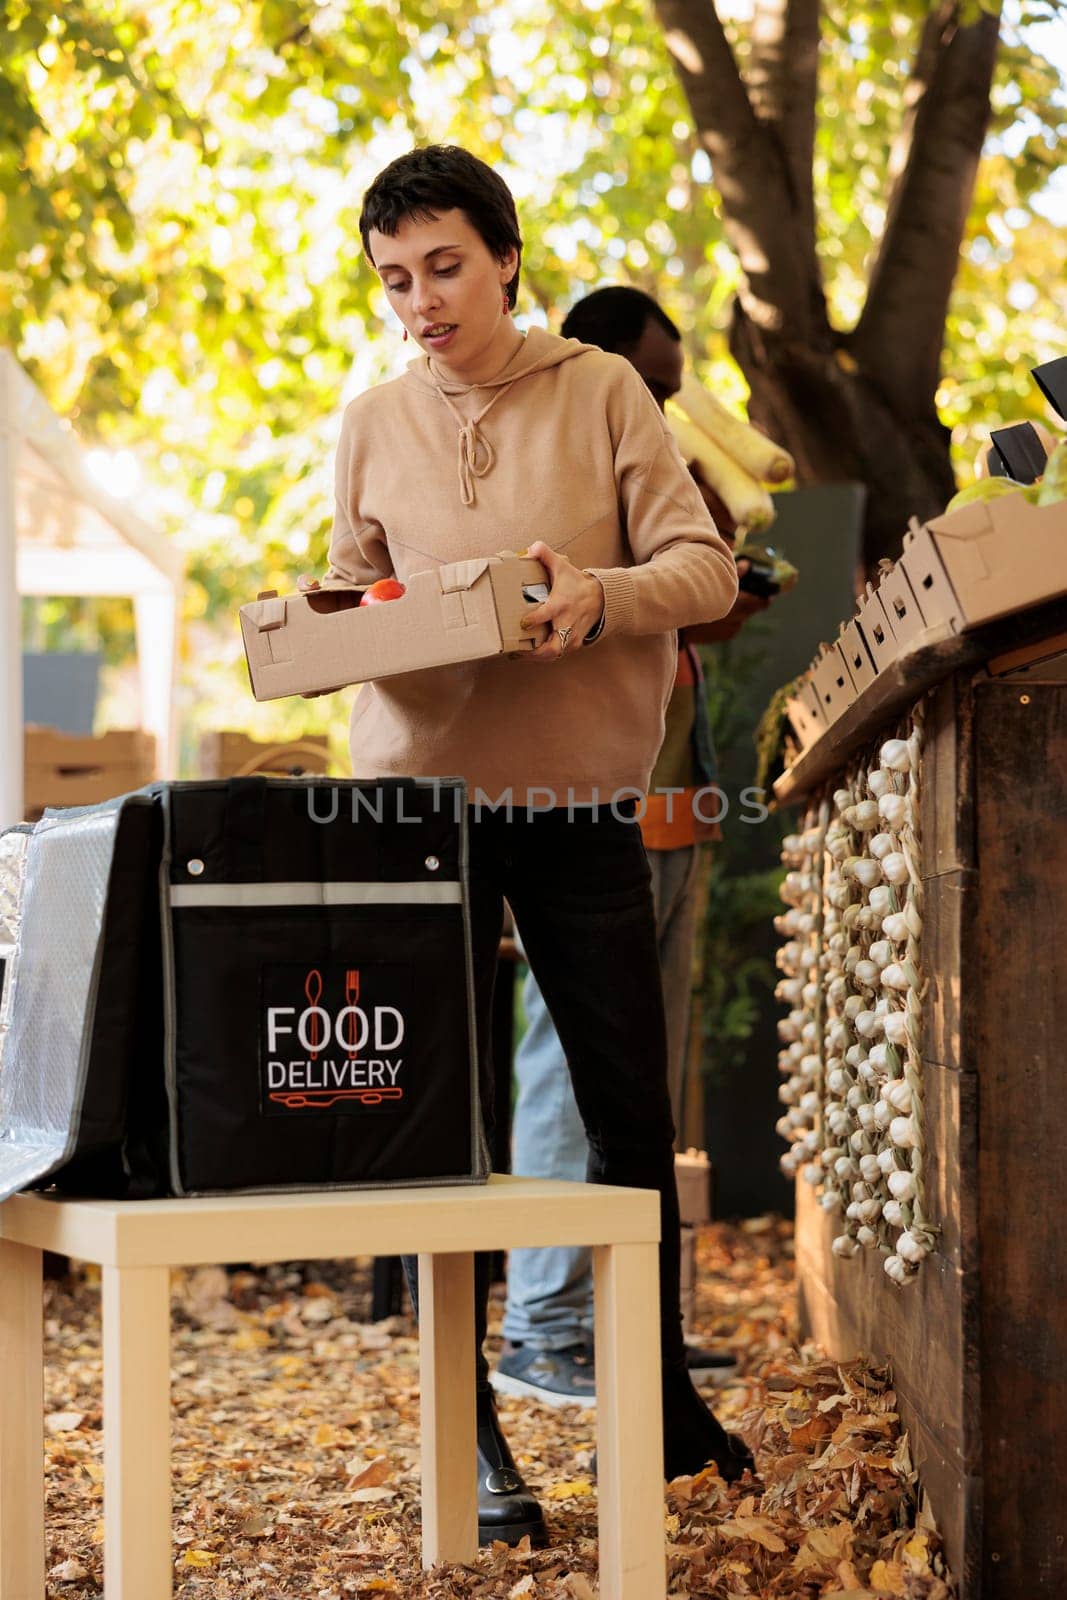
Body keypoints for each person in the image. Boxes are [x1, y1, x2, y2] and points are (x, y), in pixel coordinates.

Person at [307, 145, 754, 1548]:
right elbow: (351, 578)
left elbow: (703, 571)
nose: (420, 301)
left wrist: (596, 596)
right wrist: (340, 614)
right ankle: (476, 1437)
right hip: (416, 812)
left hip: (570, 813)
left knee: (629, 1111)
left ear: (502, 256)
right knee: (438, 1129)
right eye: (393, 278)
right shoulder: (371, 417)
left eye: (442, 267)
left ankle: (656, 1401)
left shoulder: (601, 389)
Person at [494, 288, 771, 1408]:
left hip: (654, 811)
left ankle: (626, 1332)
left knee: (625, 1087)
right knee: (563, 1065)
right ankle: (542, 1325)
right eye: (653, 381)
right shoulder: (552, 455)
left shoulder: (649, 459)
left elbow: (677, 593)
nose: (666, 400)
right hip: (583, 809)